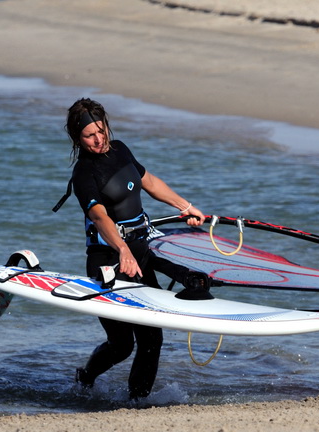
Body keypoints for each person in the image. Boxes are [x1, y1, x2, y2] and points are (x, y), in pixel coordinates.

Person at [55, 97, 211, 400]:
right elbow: (99, 216)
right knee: (122, 344)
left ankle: (137, 401)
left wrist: (186, 207)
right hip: (109, 261)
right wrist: (123, 251)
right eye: (90, 135)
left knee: (152, 337)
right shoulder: (84, 173)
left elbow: (149, 181)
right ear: (77, 138)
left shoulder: (121, 150)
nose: (99, 139)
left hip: (140, 254)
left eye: (102, 131)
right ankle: (85, 378)